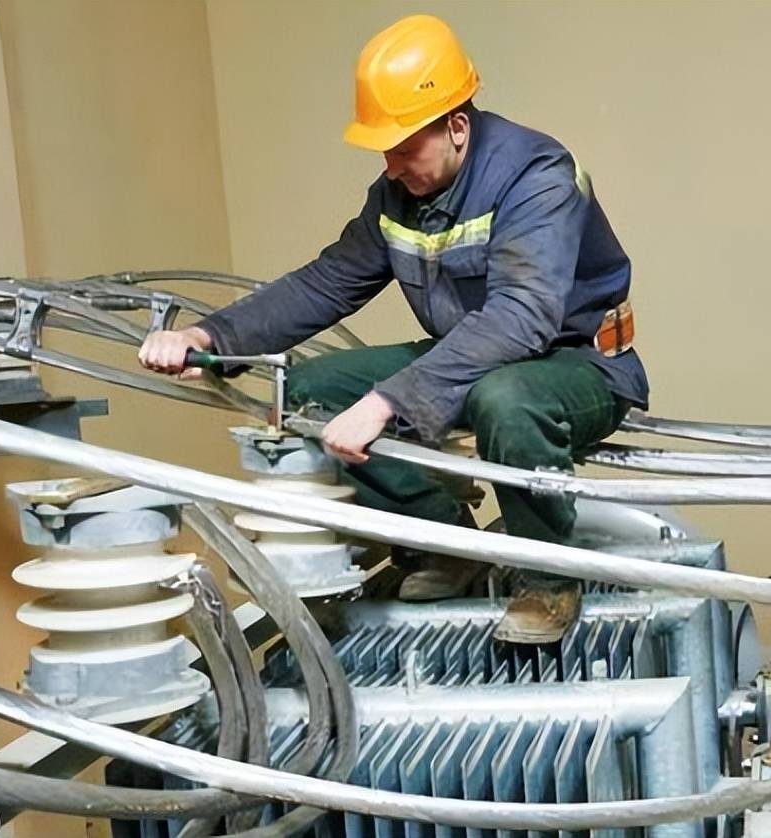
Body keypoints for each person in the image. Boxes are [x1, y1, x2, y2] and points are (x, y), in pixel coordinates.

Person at [138, 14, 647, 642]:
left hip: (575, 363)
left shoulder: (536, 175)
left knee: (505, 399)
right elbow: (326, 282)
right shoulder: (395, 195)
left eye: (405, 147)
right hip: (472, 356)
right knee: (308, 392)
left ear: (457, 126)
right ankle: (447, 542)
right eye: (385, 149)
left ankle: (547, 579)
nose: (392, 164)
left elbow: (523, 316)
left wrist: (388, 402)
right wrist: (209, 337)